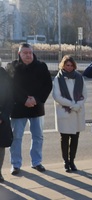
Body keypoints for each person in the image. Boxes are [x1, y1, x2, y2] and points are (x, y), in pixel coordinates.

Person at [5, 43, 53, 175]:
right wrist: (24, 100)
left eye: (30, 52)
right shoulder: (11, 67)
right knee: (16, 137)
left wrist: (36, 99)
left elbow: (47, 85)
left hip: (36, 107)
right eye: (25, 53)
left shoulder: (41, 66)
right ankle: (15, 164)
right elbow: (10, 88)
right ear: (19, 54)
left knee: (38, 136)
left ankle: (36, 162)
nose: (28, 55)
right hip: (18, 108)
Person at [52, 55, 87, 172]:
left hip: (77, 112)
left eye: (71, 65)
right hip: (65, 112)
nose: (69, 67)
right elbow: (57, 96)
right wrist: (72, 104)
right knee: (65, 138)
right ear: (63, 65)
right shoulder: (58, 79)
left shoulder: (79, 77)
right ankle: (65, 162)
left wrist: (79, 104)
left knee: (75, 137)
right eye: (67, 65)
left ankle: (72, 161)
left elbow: (84, 94)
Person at [0, 67, 13, 182]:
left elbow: (10, 99)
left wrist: (3, 116)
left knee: (1, 146)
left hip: (1, 119)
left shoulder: (4, 75)